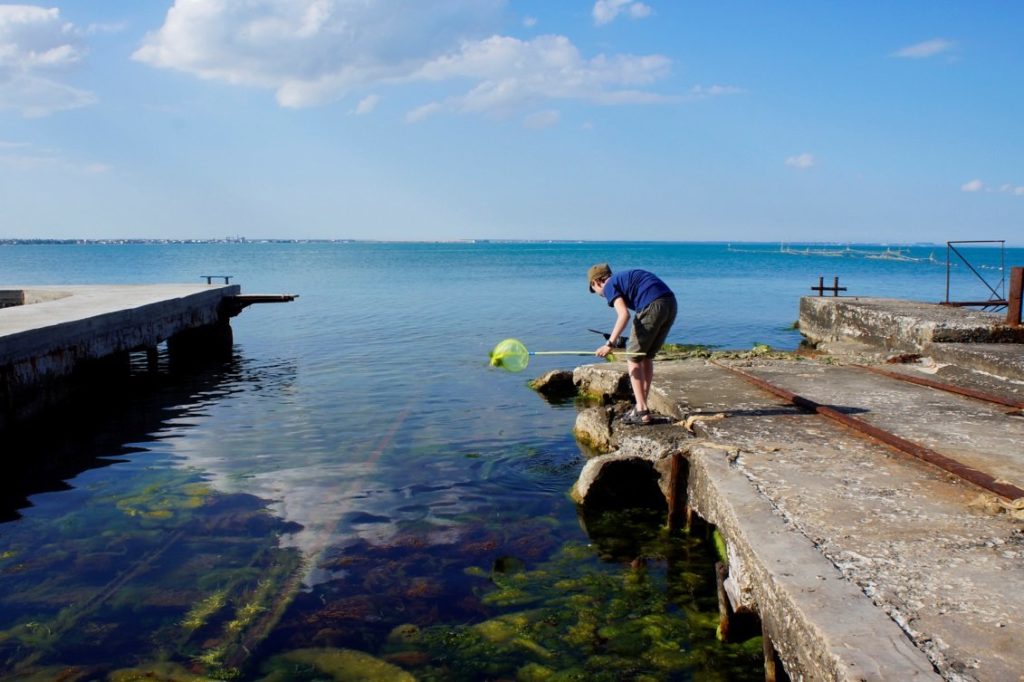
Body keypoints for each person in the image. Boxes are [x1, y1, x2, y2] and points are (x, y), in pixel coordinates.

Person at [587, 263, 677, 425]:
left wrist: (610, 343)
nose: (600, 295)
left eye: (595, 291)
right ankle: (641, 406)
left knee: (632, 358)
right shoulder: (622, 278)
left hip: (652, 305)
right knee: (646, 356)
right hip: (670, 303)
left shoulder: (609, 286)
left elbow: (624, 315)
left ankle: (642, 411)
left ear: (597, 282)